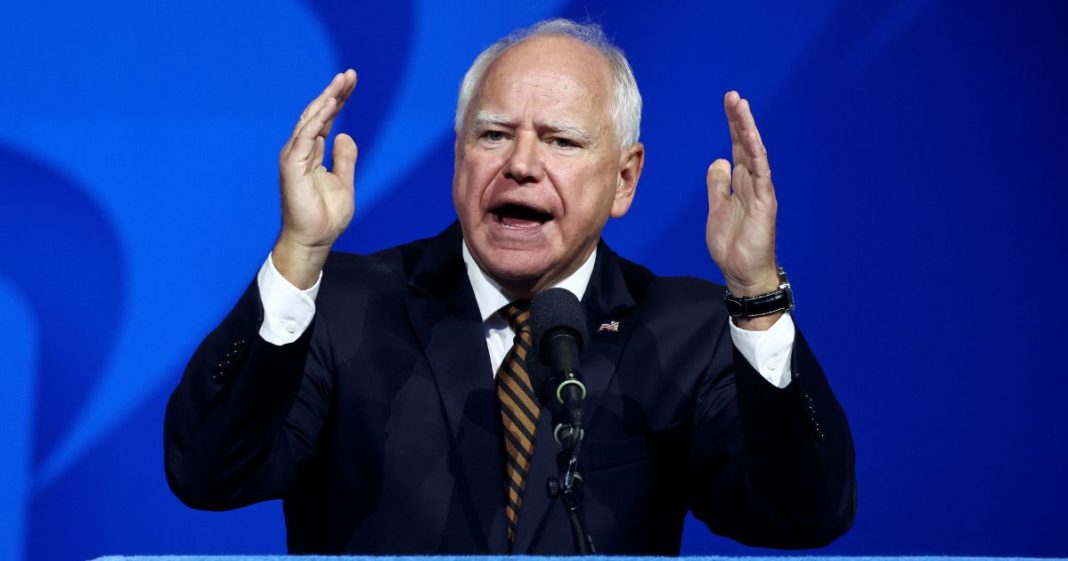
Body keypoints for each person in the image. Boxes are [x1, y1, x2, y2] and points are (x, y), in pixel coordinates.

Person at [164, 19, 855, 555]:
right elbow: (206, 472)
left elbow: (804, 513)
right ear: (458, 152)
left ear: (624, 178)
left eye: (560, 140)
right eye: (493, 134)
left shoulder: (683, 329)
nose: (521, 164)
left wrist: (757, 293)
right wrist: (298, 253)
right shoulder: (346, 303)